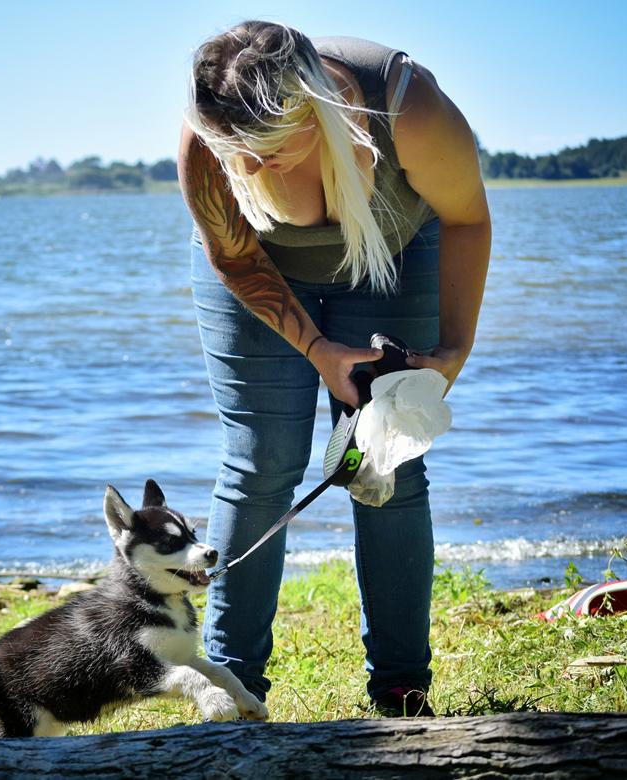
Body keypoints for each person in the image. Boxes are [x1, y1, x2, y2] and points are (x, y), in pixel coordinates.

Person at [178, 21, 490, 717]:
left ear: (316, 110)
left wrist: (455, 350)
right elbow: (232, 256)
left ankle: (402, 690)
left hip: (394, 254)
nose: (248, 173)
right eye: (237, 156)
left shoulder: (406, 112)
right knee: (261, 463)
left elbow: (468, 217)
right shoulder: (210, 139)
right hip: (259, 273)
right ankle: (232, 692)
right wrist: (318, 350)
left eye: (267, 153)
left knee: (387, 465)